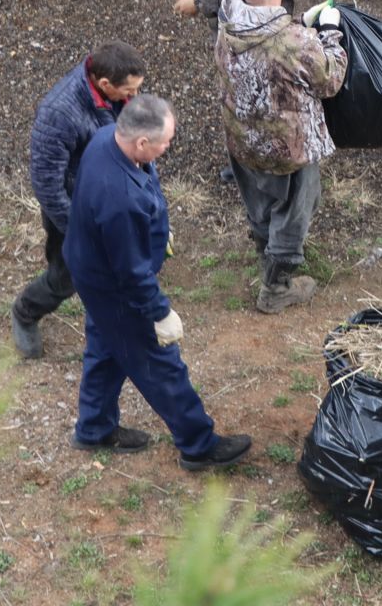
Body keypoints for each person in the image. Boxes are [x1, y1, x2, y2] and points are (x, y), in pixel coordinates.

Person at [64, 93, 253, 470]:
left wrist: (154, 229)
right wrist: (159, 312)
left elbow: (141, 188)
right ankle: (198, 445)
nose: (169, 147)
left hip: (90, 268)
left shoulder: (107, 139)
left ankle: (94, 427)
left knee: (105, 348)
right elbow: (132, 274)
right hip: (115, 287)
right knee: (160, 361)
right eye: (165, 142)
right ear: (141, 141)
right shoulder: (119, 199)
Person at [214, 0, 347, 312]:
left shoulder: (227, 15)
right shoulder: (296, 43)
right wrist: (330, 31)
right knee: (295, 210)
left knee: (258, 199)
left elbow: (269, 33)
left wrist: (301, 20)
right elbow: (330, 79)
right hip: (288, 148)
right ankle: (276, 287)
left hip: (241, 137)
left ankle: (262, 247)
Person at [10, 42, 148, 359]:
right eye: (128, 90)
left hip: (111, 199)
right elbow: (46, 184)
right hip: (76, 210)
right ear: (104, 85)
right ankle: (25, 312)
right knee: (66, 276)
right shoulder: (59, 113)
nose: (133, 97)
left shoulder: (119, 93)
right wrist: (79, 229)